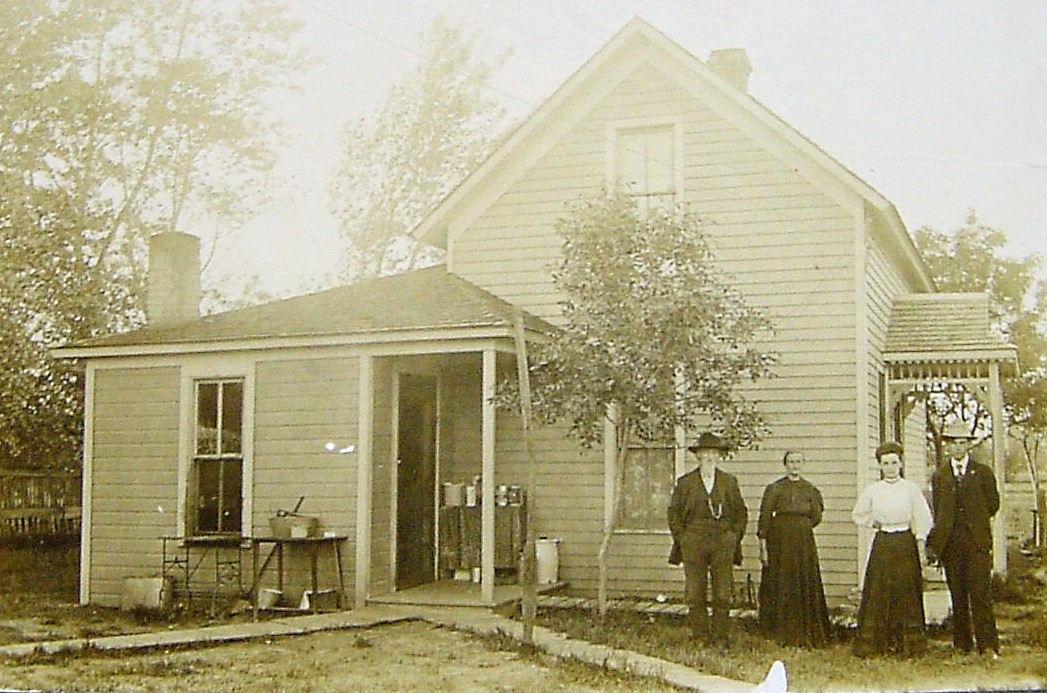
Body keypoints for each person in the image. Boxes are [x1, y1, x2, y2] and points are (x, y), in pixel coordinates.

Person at [850, 441, 933, 657]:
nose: (890, 467)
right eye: (885, 463)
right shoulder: (873, 490)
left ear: (901, 463)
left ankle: (907, 645)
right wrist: (874, 523)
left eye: (894, 462)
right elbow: (858, 514)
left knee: (905, 591)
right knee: (879, 590)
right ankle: (878, 644)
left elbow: (923, 519)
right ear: (879, 466)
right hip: (883, 542)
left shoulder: (911, 489)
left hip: (905, 542)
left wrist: (921, 545)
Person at [927, 420, 1001, 659]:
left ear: (969, 446)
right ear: (947, 446)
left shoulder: (982, 473)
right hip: (951, 545)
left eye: (962, 443)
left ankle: (988, 646)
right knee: (957, 595)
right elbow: (938, 510)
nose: (958, 448)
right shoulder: (940, 476)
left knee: (980, 595)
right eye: (953, 443)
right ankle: (962, 644)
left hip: (976, 543)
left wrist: (975, 523)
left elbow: (993, 504)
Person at [668, 432, 748, 647]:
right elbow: (673, 513)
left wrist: (733, 537)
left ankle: (721, 636)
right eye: (705, 453)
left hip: (723, 542)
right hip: (693, 542)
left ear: (719, 456)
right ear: (698, 456)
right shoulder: (685, 483)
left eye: (714, 453)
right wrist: (682, 539)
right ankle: (700, 636)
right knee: (695, 591)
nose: (710, 457)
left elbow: (741, 513)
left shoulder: (729, 482)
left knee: (722, 593)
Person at [757, 450, 830, 647]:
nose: (794, 465)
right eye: (791, 462)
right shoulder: (774, 489)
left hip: (803, 542)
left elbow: (816, 516)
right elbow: (764, 517)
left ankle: (803, 629)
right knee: (781, 581)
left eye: (798, 461)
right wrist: (763, 545)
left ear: (803, 464)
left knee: (804, 581)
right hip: (779, 542)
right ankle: (778, 630)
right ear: (785, 464)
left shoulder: (810, 490)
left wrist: (800, 527)